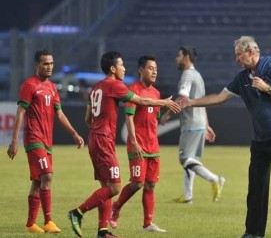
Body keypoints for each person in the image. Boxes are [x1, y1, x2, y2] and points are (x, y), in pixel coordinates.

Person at [178, 36, 271, 238]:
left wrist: (266, 88)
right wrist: (191, 102)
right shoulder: (242, 78)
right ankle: (253, 233)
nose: (236, 59)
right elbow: (220, 97)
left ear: (252, 52)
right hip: (260, 140)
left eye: (239, 54)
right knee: (256, 188)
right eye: (236, 55)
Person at [68, 51, 181, 238]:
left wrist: (98, 127)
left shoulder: (97, 87)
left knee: (106, 187)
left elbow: (88, 118)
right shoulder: (115, 85)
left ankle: (103, 232)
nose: (124, 68)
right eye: (121, 65)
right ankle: (77, 213)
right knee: (115, 188)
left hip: (95, 138)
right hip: (104, 140)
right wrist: (164, 102)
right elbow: (142, 101)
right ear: (113, 69)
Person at [6, 49, 85, 234]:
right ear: (36, 65)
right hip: (34, 139)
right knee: (47, 175)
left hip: (47, 141)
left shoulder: (52, 87)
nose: (49, 67)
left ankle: (30, 224)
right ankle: (49, 221)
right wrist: (14, 141)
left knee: (37, 181)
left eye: (51, 63)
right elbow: (21, 112)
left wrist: (74, 133)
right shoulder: (29, 85)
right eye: (45, 63)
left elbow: (59, 113)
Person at [108, 55, 166, 233]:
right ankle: (115, 208)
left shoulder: (156, 94)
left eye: (155, 69)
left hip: (153, 147)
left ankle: (148, 224)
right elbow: (129, 118)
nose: (154, 71)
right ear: (141, 70)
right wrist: (134, 142)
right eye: (150, 68)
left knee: (150, 185)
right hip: (137, 146)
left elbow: (155, 121)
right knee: (137, 183)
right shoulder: (133, 90)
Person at [160, 46, 225, 204]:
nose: (176, 59)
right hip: (199, 121)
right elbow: (201, 102)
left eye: (179, 55)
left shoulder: (187, 75)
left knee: (184, 159)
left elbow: (183, 99)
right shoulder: (198, 75)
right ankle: (188, 196)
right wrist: (206, 124)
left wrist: (167, 114)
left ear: (186, 57)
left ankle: (215, 179)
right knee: (190, 158)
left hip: (191, 122)